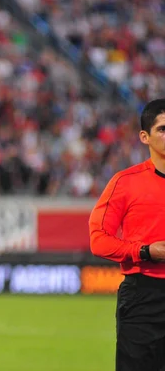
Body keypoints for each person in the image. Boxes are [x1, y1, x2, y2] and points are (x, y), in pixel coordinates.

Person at [89, 98, 165, 371]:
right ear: (145, 137)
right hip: (144, 295)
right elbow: (98, 239)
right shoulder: (126, 182)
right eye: (163, 129)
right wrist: (144, 251)